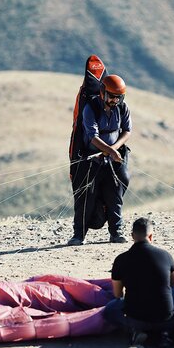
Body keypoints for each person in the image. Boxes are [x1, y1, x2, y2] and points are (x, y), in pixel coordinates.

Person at [103, 217, 174, 348]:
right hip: (165, 318)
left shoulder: (121, 259)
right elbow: (173, 285)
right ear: (151, 236)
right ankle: (165, 333)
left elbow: (117, 295)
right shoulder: (166, 255)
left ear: (132, 236)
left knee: (110, 308)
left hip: (136, 319)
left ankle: (136, 331)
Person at [68, 74, 132, 246]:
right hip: (91, 161)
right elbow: (92, 137)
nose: (115, 100)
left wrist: (114, 149)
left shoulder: (122, 108)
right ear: (103, 92)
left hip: (114, 160)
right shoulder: (90, 109)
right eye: (112, 96)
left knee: (116, 193)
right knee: (85, 197)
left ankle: (116, 232)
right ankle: (78, 235)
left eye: (118, 97)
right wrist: (110, 151)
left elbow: (126, 131)